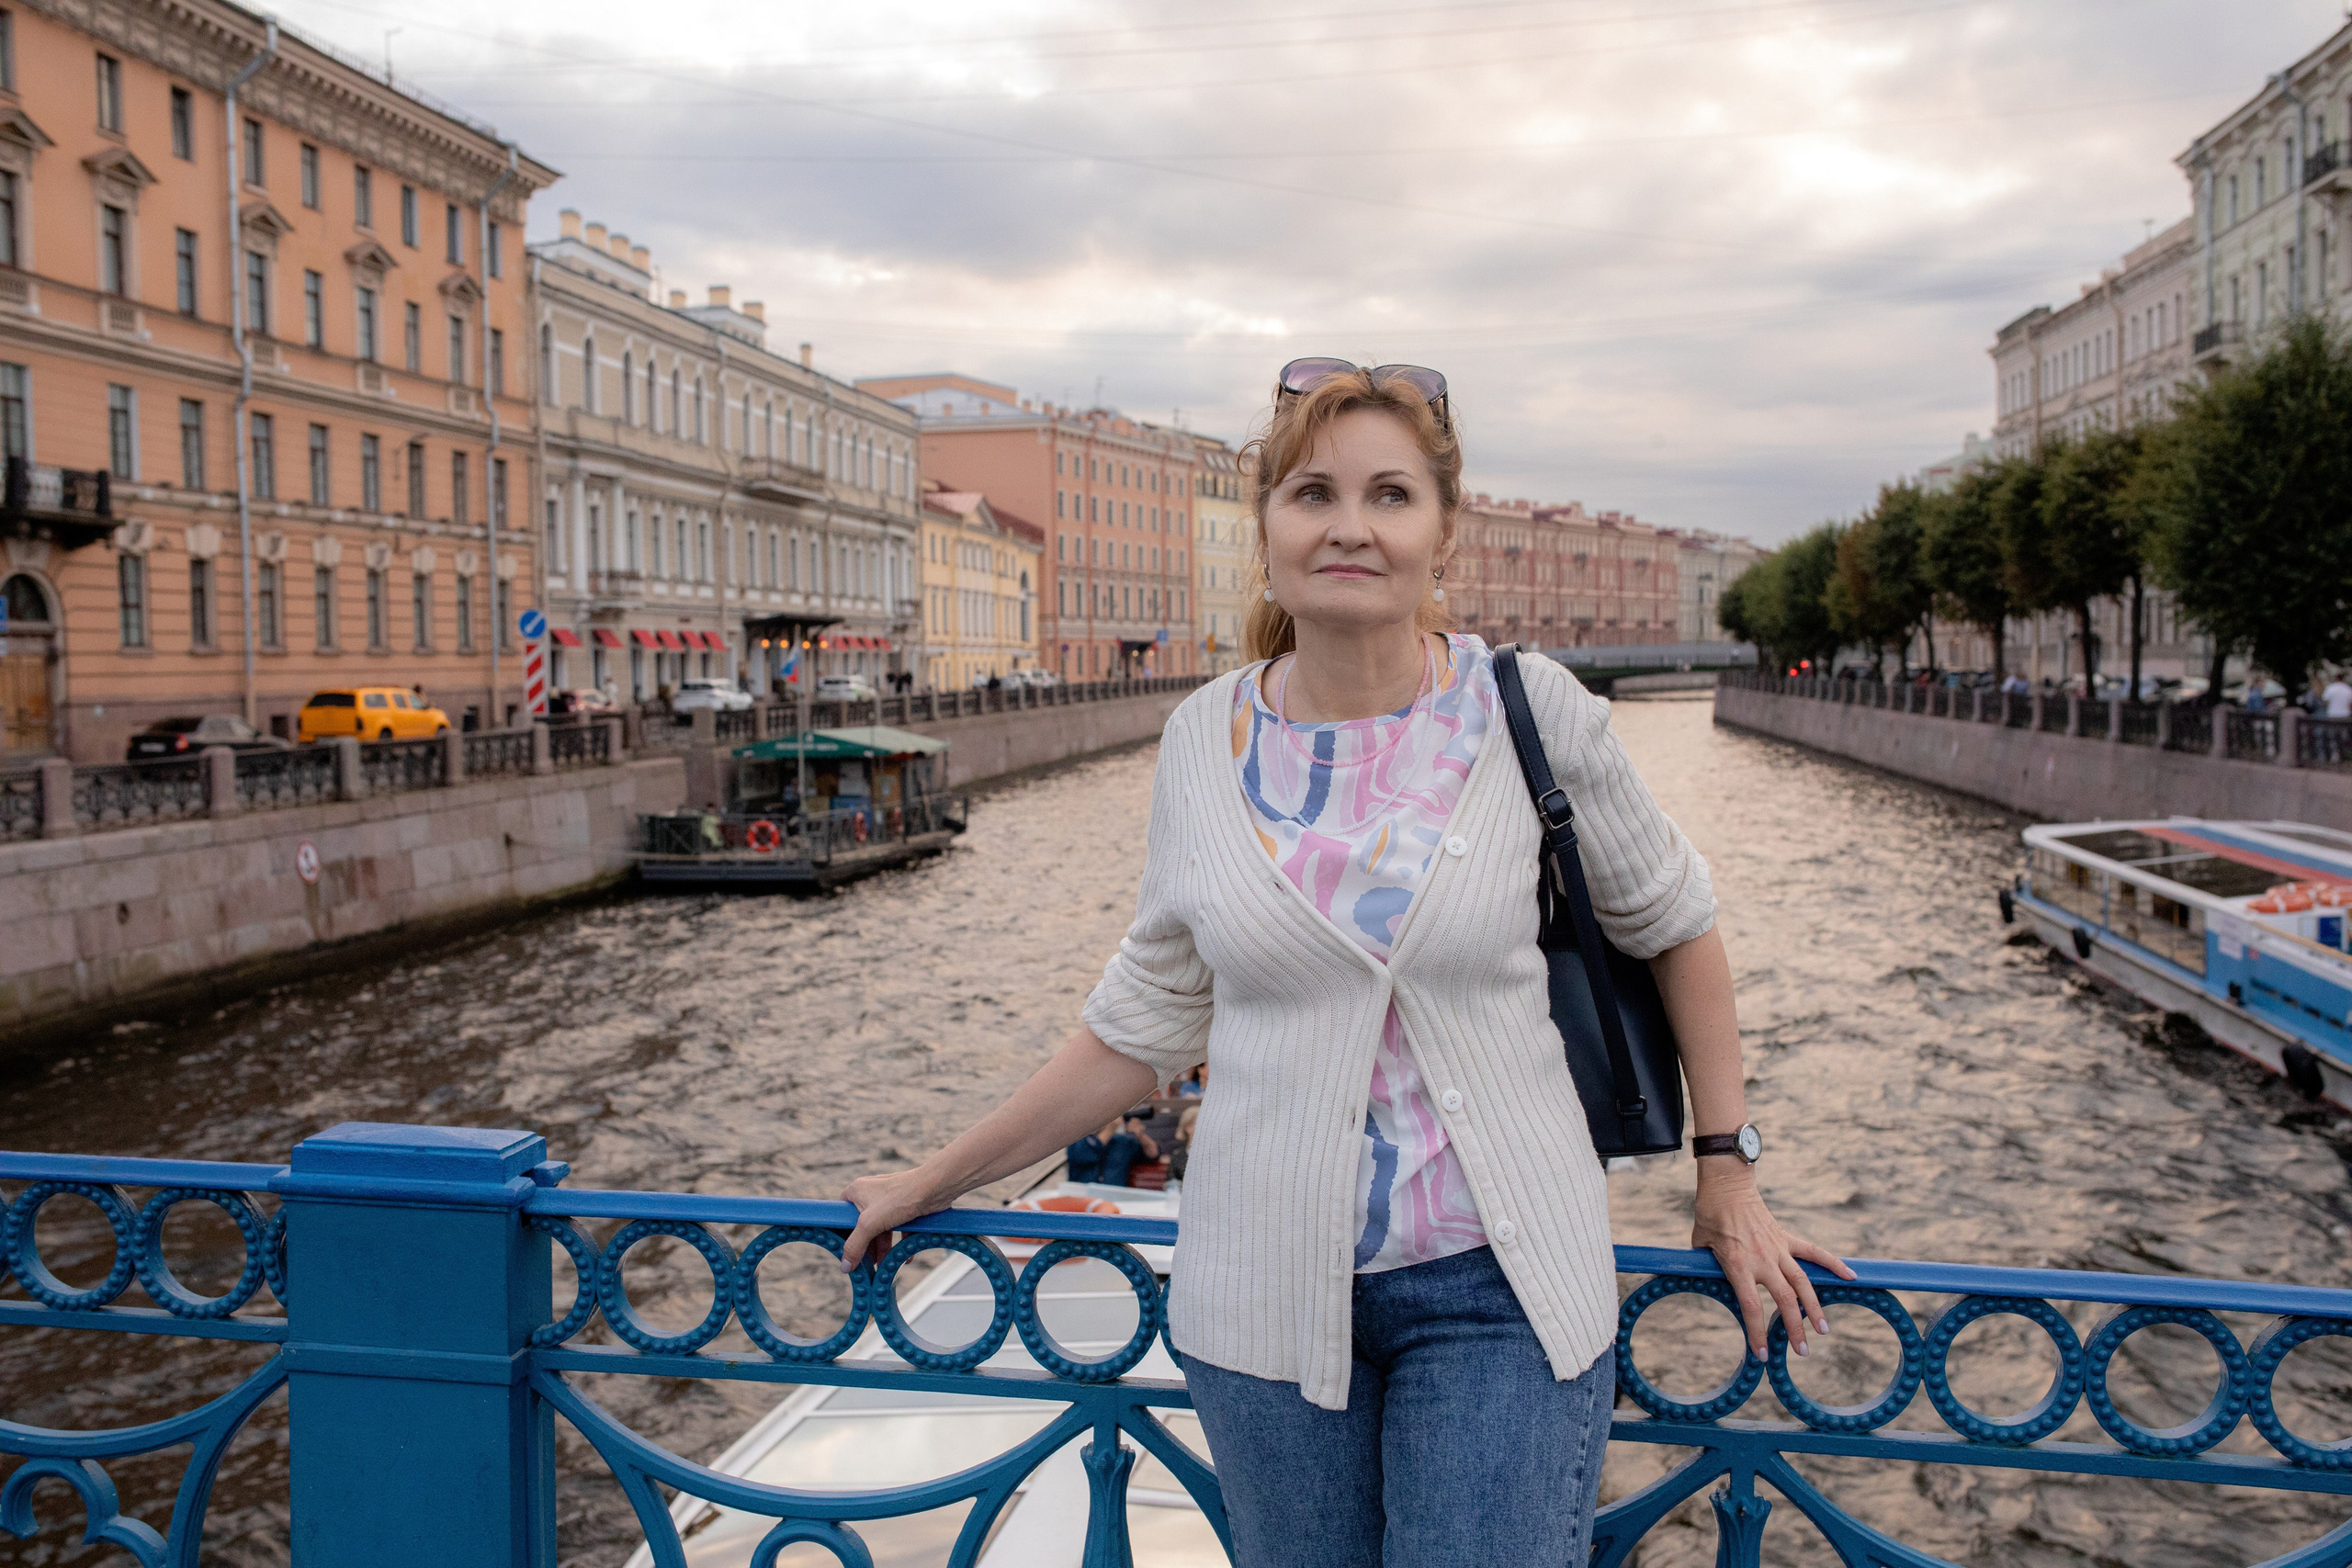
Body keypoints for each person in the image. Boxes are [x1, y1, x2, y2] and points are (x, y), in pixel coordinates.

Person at [839, 359, 1848, 1567]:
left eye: (1390, 495)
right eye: (1314, 493)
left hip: (1502, 1290)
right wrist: (929, 1178)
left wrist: (1726, 1172)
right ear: (1269, 526)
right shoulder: (1199, 740)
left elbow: (1677, 922)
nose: (1351, 526)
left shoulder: (1532, 708)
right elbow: (1141, 1024)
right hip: (1262, 1299)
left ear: (1441, 532)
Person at [1064, 1114, 1157, 1189]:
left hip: (1115, 1201)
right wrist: (1110, 1129)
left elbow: (1153, 1154)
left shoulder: (1122, 1141)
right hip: (1083, 1202)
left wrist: (1141, 1135)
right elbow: (1085, 1155)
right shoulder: (1077, 1141)